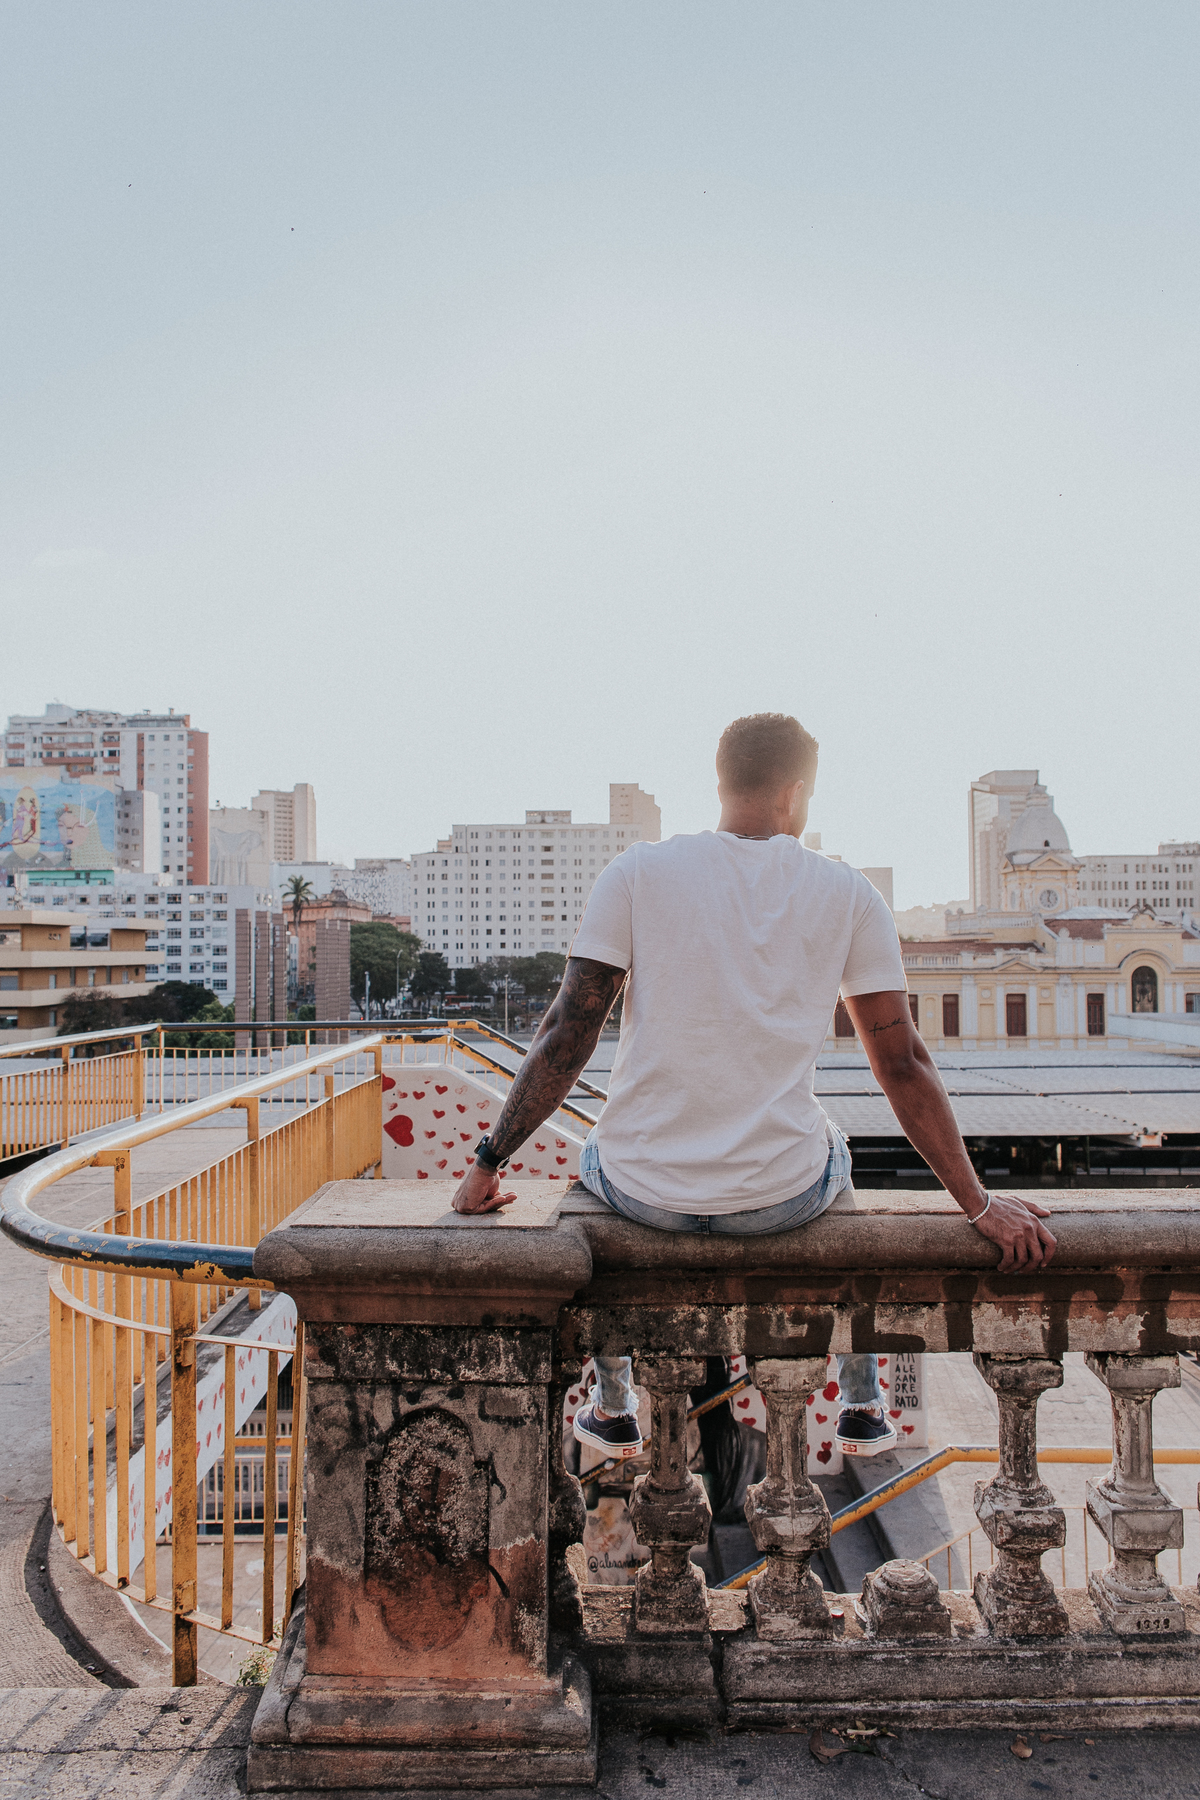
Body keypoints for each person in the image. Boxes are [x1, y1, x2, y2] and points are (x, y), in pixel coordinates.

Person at [452, 712, 1055, 1460]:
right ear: (795, 793)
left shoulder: (635, 873)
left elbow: (565, 1035)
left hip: (643, 1193)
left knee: (597, 1148)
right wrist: (979, 1203)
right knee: (835, 1147)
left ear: (720, 782)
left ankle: (612, 1406)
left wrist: (488, 1162)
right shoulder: (850, 894)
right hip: (779, 1198)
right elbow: (902, 1064)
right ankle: (862, 1401)